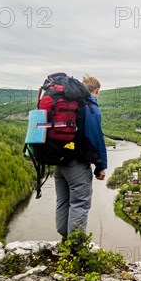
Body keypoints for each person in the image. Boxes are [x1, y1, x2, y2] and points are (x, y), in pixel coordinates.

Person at [54, 75, 107, 241]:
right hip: (76, 163)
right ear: (96, 90)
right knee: (79, 204)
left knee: (63, 202)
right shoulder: (89, 106)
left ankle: (65, 240)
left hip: (58, 160)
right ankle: (75, 250)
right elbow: (95, 138)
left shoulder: (69, 103)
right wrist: (100, 166)